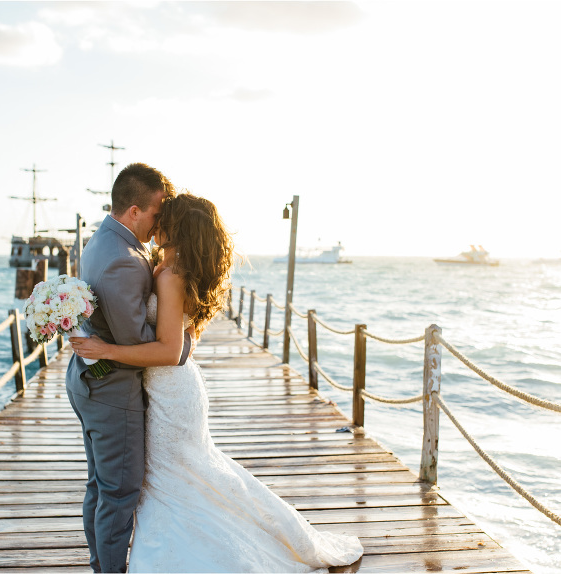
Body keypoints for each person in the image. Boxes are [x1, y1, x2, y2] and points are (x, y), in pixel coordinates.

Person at [71, 193, 364, 572]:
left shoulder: (172, 276)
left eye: (163, 219)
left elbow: (169, 351)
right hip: (171, 388)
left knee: (174, 477)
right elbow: (178, 337)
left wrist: (105, 349)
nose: (156, 224)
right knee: (186, 476)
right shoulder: (168, 268)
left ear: (176, 227)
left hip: (171, 393)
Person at [65, 163, 193, 573]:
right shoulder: (122, 259)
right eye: (157, 212)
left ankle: (100, 564)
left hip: (89, 381)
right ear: (134, 209)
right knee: (119, 494)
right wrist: (184, 334)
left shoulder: (103, 239)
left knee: (100, 488)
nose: (161, 223)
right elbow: (140, 342)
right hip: (112, 390)